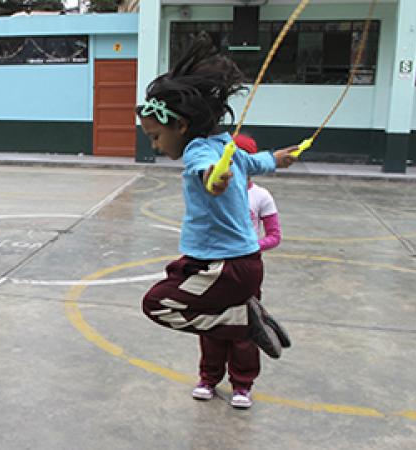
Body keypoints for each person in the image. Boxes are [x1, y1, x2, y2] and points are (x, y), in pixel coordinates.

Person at [138, 32, 295, 385]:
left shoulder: (199, 151)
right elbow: (254, 163)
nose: (155, 145)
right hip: (236, 263)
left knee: (157, 305)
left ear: (181, 126)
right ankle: (241, 314)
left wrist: (212, 178)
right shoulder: (225, 146)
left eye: (155, 136)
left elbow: (204, 169)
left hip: (225, 266)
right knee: (176, 274)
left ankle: (240, 320)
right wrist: (277, 159)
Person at [189, 133, 285, 409]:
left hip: (245, 269)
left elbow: (274, 236)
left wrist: (247, 246)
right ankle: (208, 379)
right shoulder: (211, 190)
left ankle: (242, 384)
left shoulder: (261, 196)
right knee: (211, 325)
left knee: (244, 327)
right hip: (214, 268)